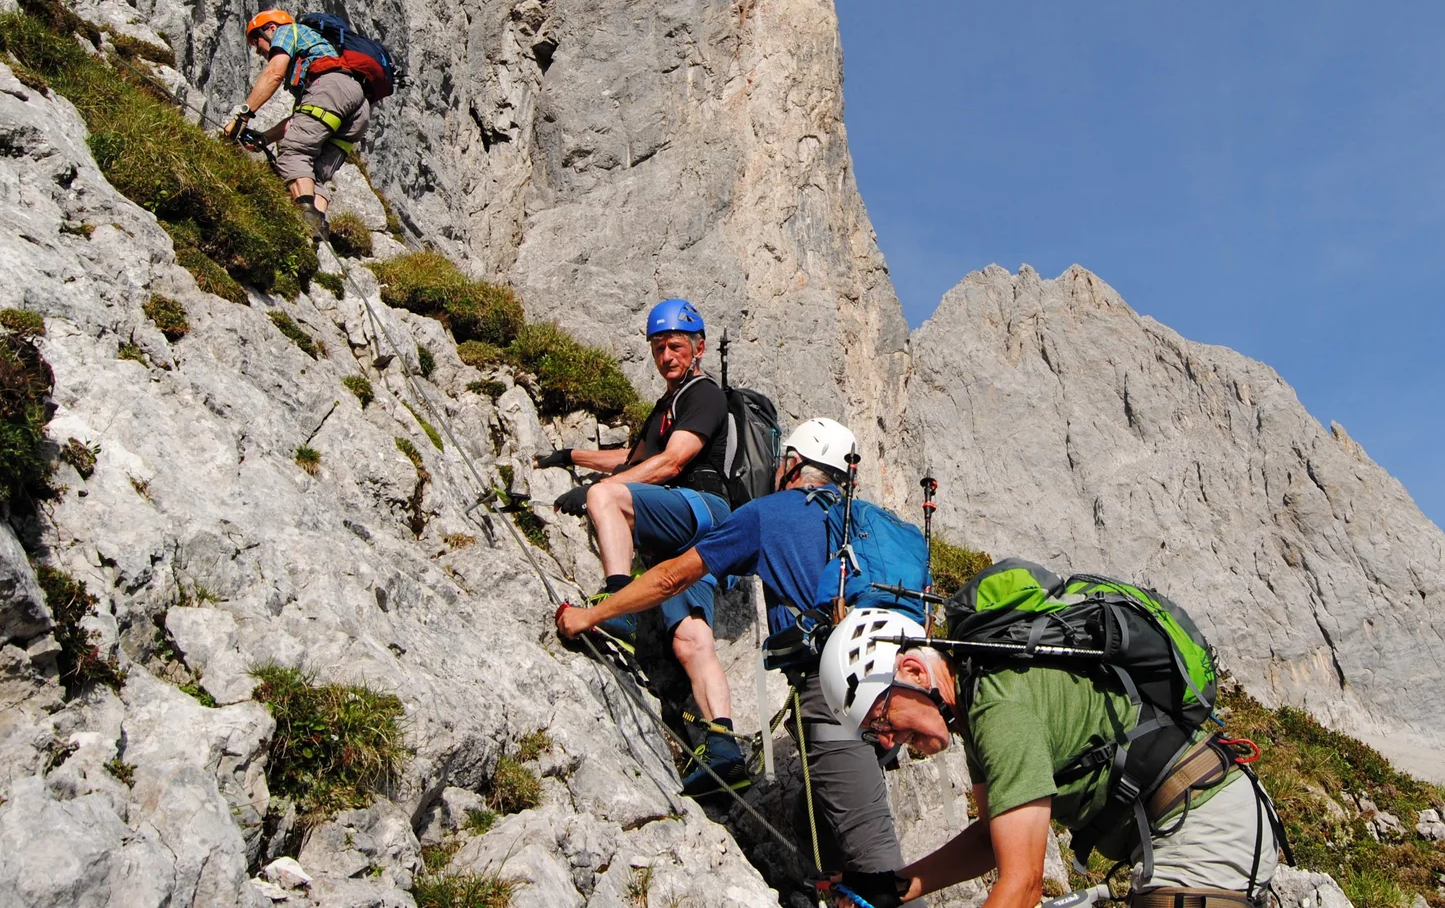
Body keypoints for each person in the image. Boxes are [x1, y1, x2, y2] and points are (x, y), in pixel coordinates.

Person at [556, 417, 909, 876]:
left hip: (834, 695)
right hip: (894, 687)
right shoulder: (869, 527)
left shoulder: (771, 512)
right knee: (821, 831)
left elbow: (670, 576)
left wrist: (592, 615)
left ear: (795, 463)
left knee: (876, 868)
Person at [815, 608, 1281, 908]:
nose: (888, 740)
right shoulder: (978, 700)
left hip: (1202, 821)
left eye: (881, 719)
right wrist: (895, 886)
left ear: (914, 671)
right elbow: (991, 838)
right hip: (1186, 820)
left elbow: (1022, 886)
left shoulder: (998, 709)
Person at [538, 298, 740, 795]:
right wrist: (571, 456)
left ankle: (617, 603)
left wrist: (599, 492)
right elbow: (631, 458)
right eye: (657, 348)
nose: (666, 356)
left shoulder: (705, 396)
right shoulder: (664, 408)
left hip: (704, 509)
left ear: (698, 348)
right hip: (697, 540)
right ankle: (723, 743)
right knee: (689, 637)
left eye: (674, 345)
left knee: (610, 495)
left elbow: (671, 464)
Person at [223, 9, 371, 237]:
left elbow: (273, 73)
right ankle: (317, 234)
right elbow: (297, 122)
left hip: (331, 91)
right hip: (358, 107)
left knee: (293, 154)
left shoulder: (285, 32)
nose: (259, 51)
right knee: (316, 174)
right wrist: (264, 138)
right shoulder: (316, 59)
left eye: (257, 42)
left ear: (270, 29)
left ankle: (304, 222)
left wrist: (243, 116)